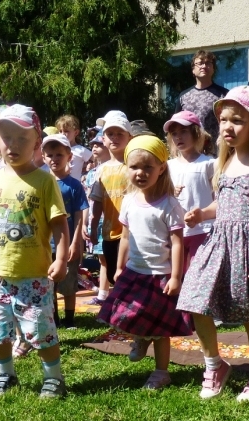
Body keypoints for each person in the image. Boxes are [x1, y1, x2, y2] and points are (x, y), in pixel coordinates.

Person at [177, 86, 249, 400]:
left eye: (238, 120)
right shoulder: (224, 161)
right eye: (224, 120)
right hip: (220, 242)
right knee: (194, 298)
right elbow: (224, 203)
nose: (228, 127)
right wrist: (203, 213)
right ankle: (214, 364)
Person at [0, 104, 70, 399]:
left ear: (37, 142)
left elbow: (59, 224)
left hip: (34, 275)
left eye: (22, 139)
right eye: (7, 138)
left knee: (41, 330)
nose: (13, 145)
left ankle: (53, 377)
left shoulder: (44, 180)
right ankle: (5, 374)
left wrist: (61, 258)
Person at [97, 135, 191, 390]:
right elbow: (125, 237)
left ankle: (161, 372)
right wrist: (119, 266)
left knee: (160, 330)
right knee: (125, 313)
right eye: (135, 167)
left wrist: (176, 277)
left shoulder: (170, 205)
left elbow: (177, 243)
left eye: (148, 167)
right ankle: (140, 336)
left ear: (161, 168)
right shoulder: (129, 201)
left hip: (160, 274)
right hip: (134, 271)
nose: (141, 173)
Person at [42, 133, 89, 329]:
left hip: (68, 243)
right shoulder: (43, 183)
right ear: (44, 157)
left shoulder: (74, 185)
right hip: (46, 244)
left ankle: (69, 318)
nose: (54, 159)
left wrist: (76, 242)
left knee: (69, 282)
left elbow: (79, 214)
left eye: (59, 154)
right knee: (49, 282)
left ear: (69, 156)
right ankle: (53, 317)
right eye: (50, 155)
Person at [164, 110, 214, 272]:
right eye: (174, 133)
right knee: (176, 275)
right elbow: (160, 198)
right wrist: (170, 193)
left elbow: (218, 197)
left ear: (196, 133)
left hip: (204, 229)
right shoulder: (168, 166)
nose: (179, 137)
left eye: (184, 131)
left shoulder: (208, 163)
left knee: (198, 274)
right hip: (175, 231)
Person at [89, 111, 133, 289]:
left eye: (120, 133)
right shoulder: (101, 170)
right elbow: (98, 201)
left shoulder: (133, 166)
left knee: (128, 274)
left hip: (131, 233)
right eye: (110, 134)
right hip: (109, 232)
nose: (115, 138)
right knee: (113, 274)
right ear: (103, 139)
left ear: (130, 137)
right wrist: (93, 227)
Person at [173, 50, 229, 144]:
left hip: (216, 148)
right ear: (193, 70)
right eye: (200, 63)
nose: (204, 66)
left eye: (208, 63)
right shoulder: (184, 96)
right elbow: (176, 124)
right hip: (190, 148)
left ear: (213, 69)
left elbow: (230, 120)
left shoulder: (224, 94)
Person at [84, 130, 112, 305]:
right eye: (93, 145)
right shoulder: (92, 173)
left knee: (112, 258)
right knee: (102, 258)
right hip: (96, 219)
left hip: (112, 220)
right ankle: (103, 294)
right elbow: (88, 201)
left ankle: (112, 294)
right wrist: (86, 223)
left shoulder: (117, 168)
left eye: (99, 144)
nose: (94, 147)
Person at [55, 114, 92, 181]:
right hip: (58, 183)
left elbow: (96, 158)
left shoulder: (81, 150)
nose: (62, 134)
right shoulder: (56, 150)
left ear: (76, 132)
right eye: (60, 131)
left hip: (74, 185)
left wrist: (91, 166)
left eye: (66, 131)